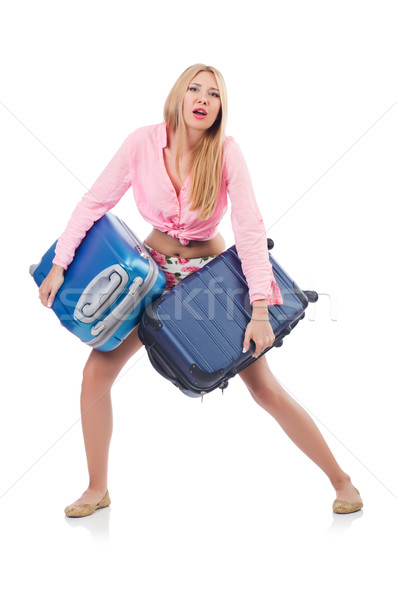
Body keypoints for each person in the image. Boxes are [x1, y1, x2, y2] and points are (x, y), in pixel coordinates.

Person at [38, 64, 363, 517]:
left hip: (208, 278)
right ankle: (97, 489)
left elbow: (249, 231)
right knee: (96, 375)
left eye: (214, 94)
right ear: (179, 94)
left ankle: (343, 482)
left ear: (219, 110)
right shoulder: (141, 143)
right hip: (149, 275)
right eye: (195, 88)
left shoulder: (227, 153)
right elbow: (95, 203)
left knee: (264, 388)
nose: (203, 98)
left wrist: (261, 309)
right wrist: (60, 265)